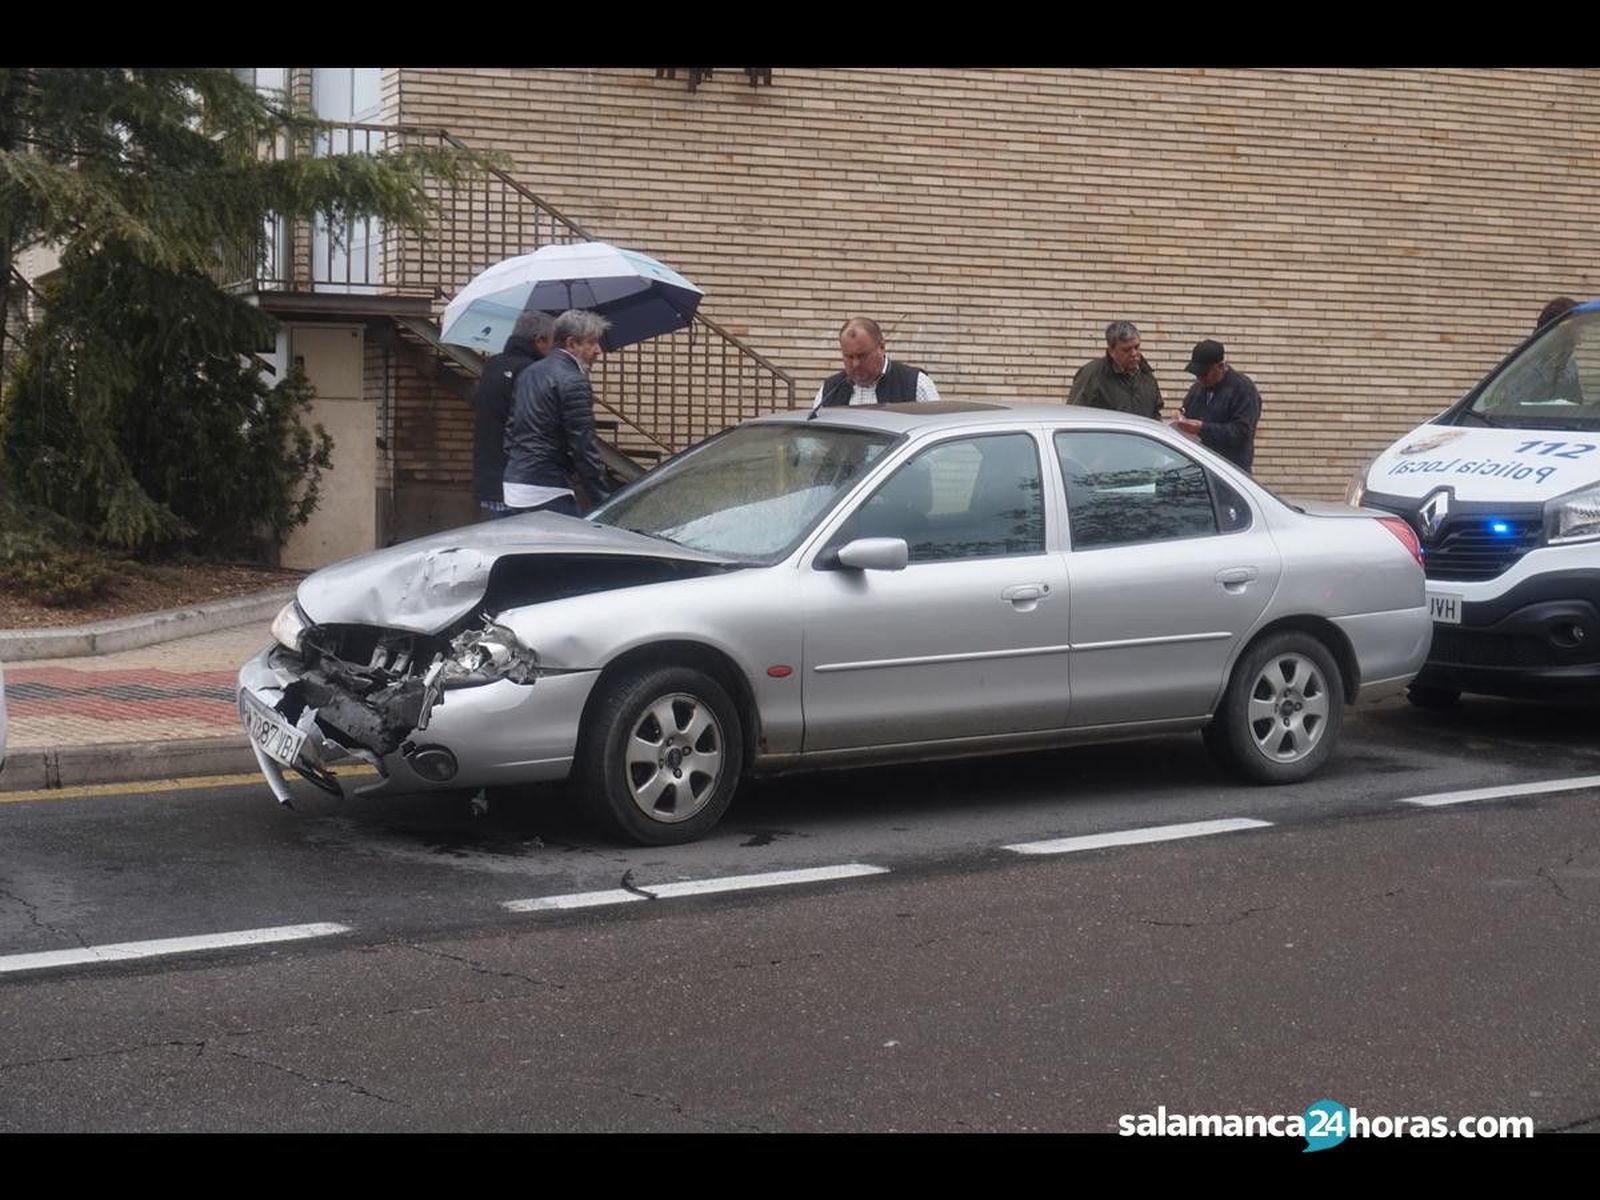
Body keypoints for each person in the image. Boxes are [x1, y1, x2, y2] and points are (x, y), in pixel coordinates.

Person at [503, 309, 612, 516]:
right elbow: (583, 446)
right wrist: (604, 499)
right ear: (571, 344)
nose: (598, 350)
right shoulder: (574, 381)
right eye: (591, 342)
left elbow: (511, 429)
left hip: (515, 482)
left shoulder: (529, 372)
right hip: (547, 486)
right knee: (569, 547)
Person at [472, 309, 554, 519]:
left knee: (503, 540)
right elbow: (536, 424)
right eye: (552, 341)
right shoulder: (532, 371)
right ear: (539, 339)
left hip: (491, 474)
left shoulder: (492, 365)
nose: (554, 348)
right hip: (522, 481)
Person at [811, 317, 940, 409]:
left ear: (882, 347)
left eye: (862, 356)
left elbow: (935, 433)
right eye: (849, 357)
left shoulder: (916, 385)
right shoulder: (829, 390)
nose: (856, 364)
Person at [1172, 339, 1260, 472]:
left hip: (1231, 472)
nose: (1199, 378)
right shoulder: (1198, 388)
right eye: (1197, 374)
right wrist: (1181, 416)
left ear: (1220, 366)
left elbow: (1241, 432)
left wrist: (1202, 428)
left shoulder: (1243, 389)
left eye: (1204, 374)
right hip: (1202, 468)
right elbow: (1188, 410)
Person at [1068, 320, 1162, 419]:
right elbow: (1074, 416)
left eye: (1137, 347)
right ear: (1111, 351)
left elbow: (1155, 415)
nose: (1134, 353)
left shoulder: (1147, 376)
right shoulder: (1091, 375)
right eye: (1126, 350)